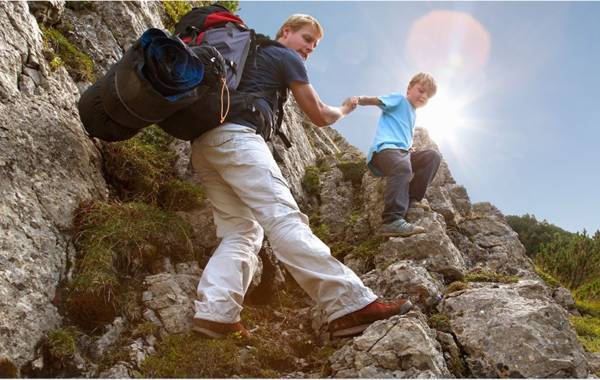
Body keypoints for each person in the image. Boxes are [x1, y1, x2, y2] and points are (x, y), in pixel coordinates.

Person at [190, 14, 412, 339]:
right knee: (283, 219)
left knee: (241, 231)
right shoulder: (283, 55)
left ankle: (215, 314)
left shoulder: (249, 54)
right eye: (307, 39)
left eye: (314, 45)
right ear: (286, 32)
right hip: (238, 138)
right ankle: (349, 304)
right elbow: (320, 115)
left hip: (205, 143)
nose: (309, 49)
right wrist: (346, 109)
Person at [356, 73, 441, 237]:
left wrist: (409, 149)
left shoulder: (413, 113)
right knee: (403, 167)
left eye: (428, 96)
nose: (423, 96)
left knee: (432, 156)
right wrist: (359, 100)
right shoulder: (399, 100)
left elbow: (401, 133)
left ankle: (412, 199)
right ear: (409, 88)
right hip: (384, 151)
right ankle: (391, 221)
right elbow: (377, 100)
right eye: (421, 90)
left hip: (401, 153)